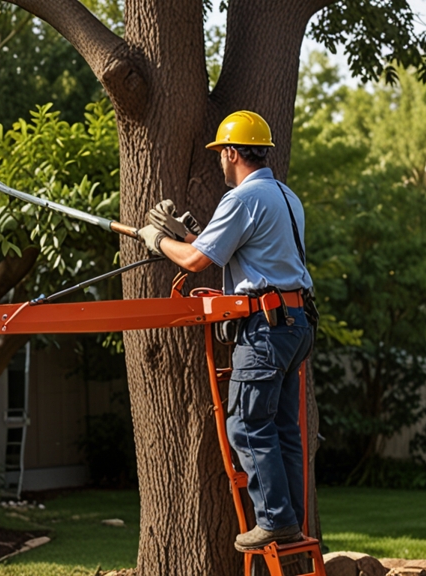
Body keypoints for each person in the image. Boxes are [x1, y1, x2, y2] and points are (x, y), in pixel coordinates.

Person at [135, 111, 315, 551]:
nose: (220, 160)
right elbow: (249, 253)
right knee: (283, 428)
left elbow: (198, 262)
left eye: (220, 153)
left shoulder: (242, 199)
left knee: (247, 425)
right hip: (296, 324)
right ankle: (290, 515)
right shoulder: (287, 197)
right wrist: (193, 235)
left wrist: (155, 240)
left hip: (265, 329)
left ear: (231, 152)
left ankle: (274, 520)